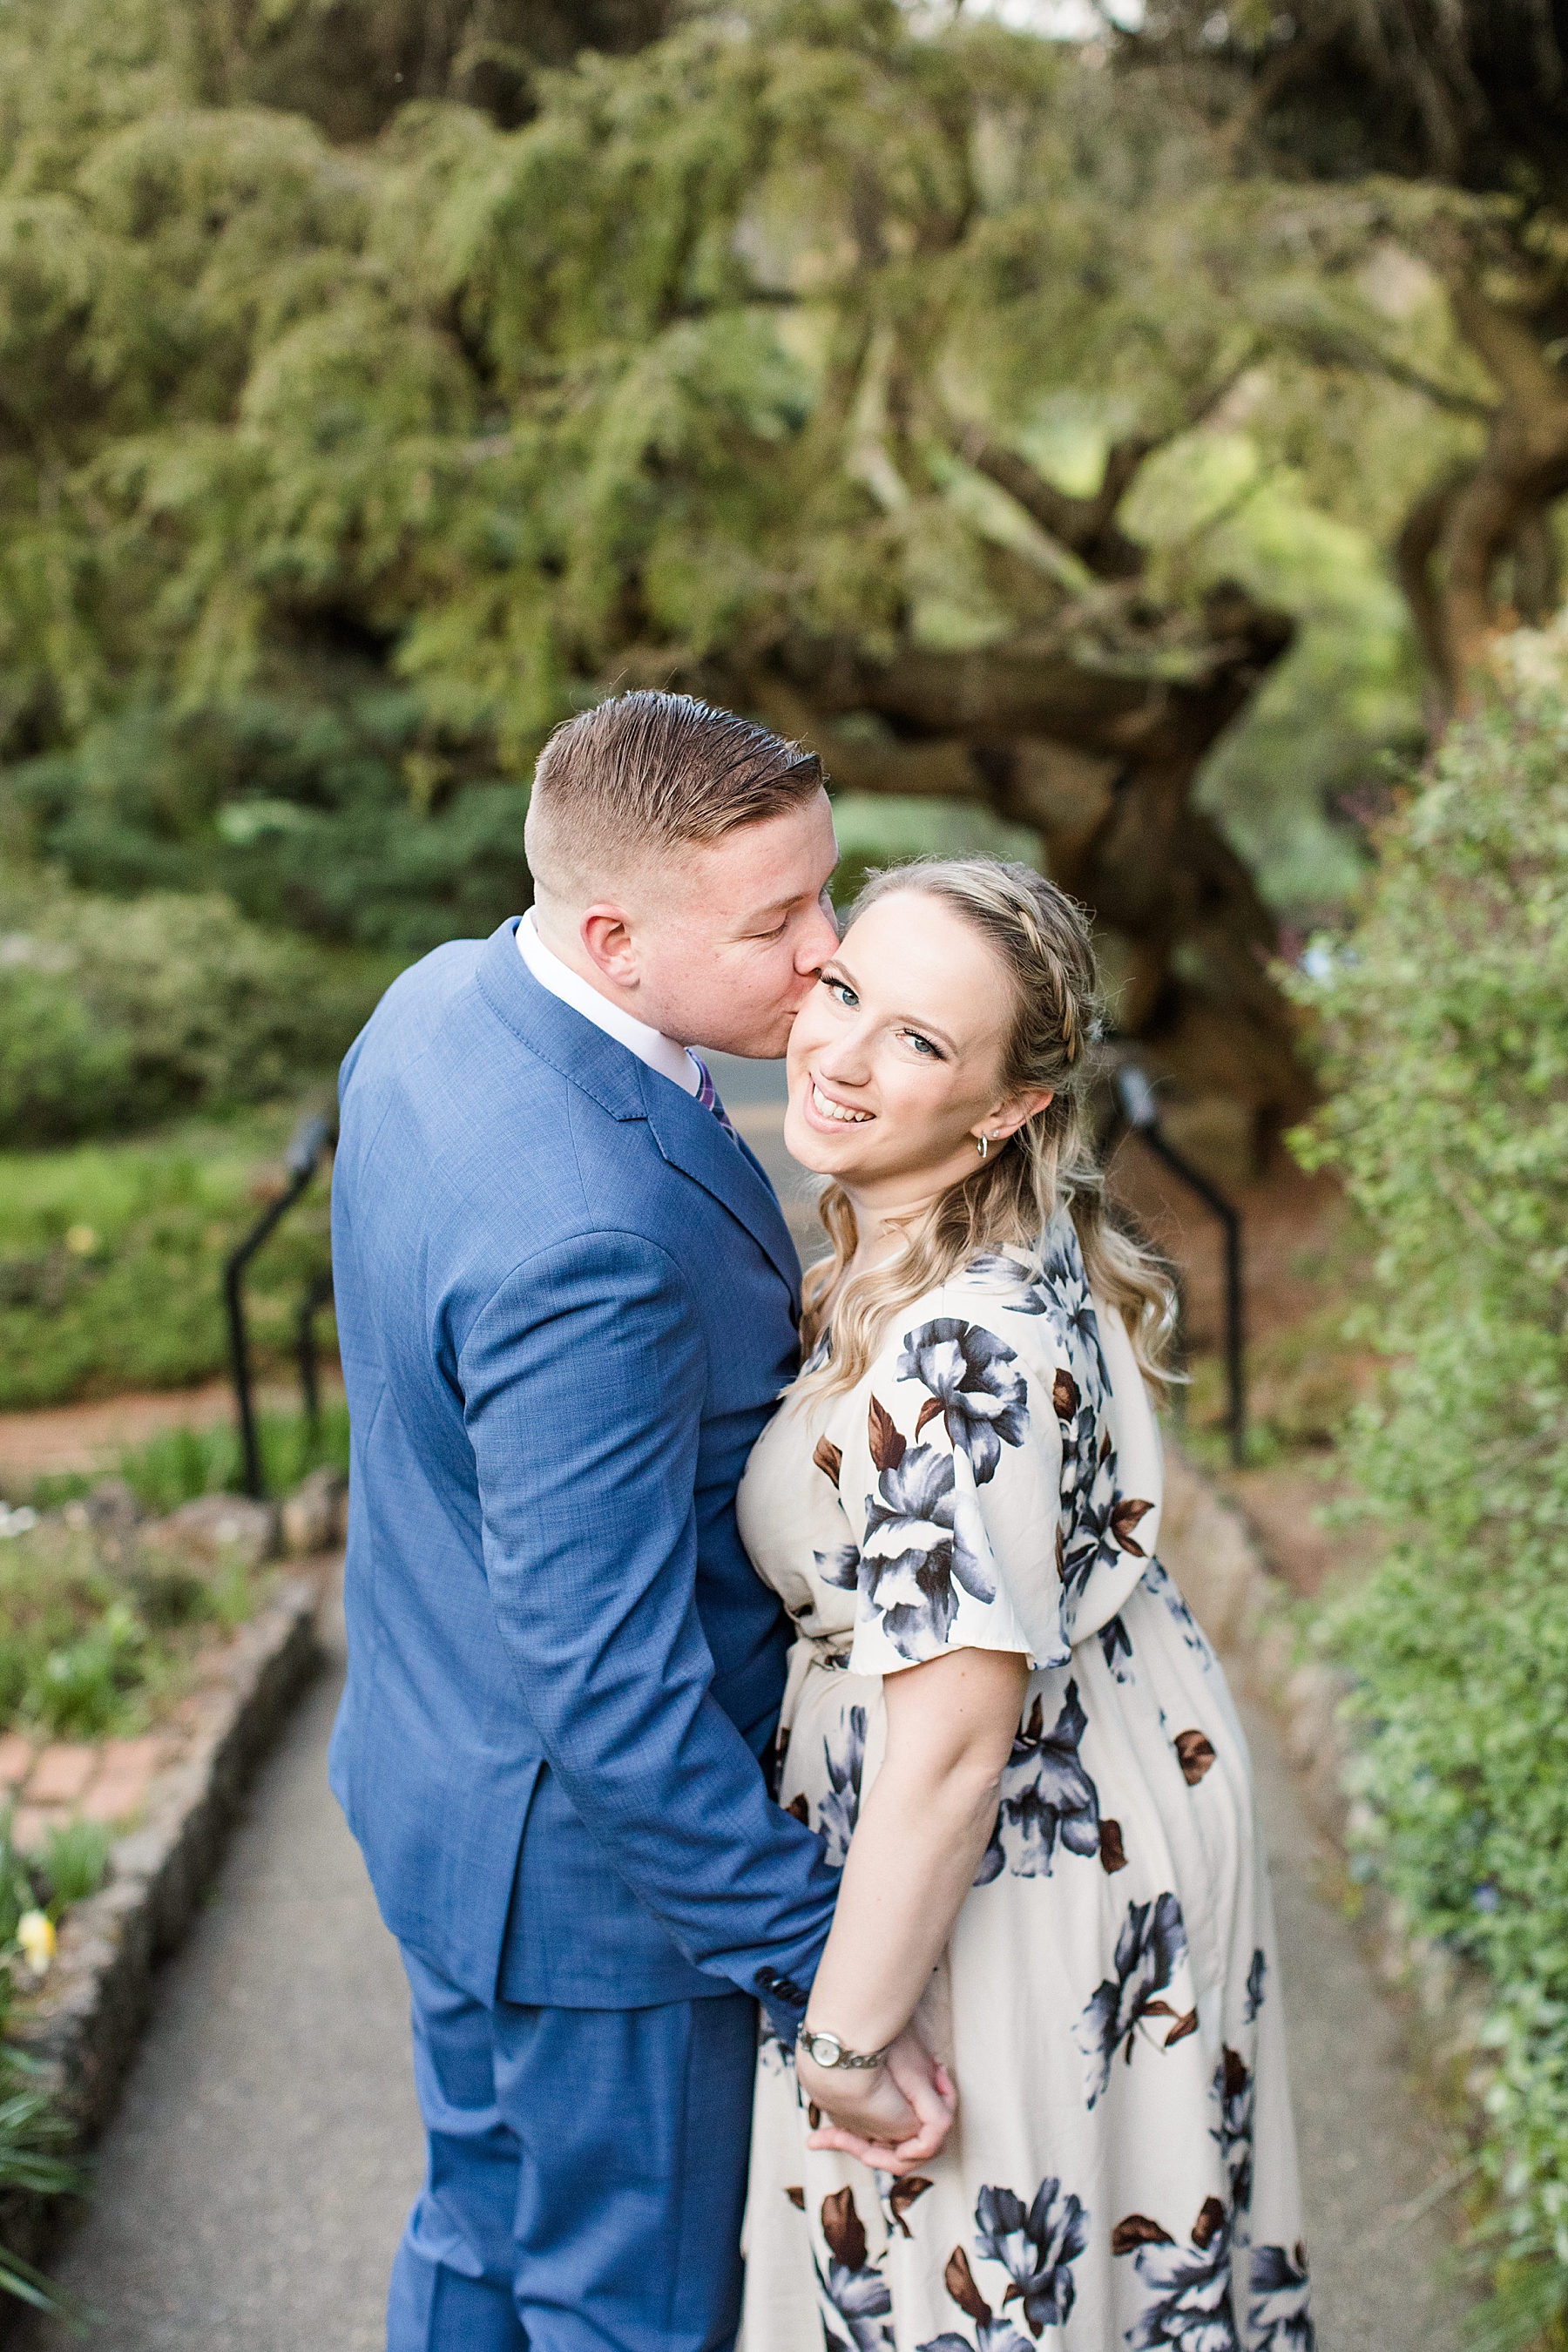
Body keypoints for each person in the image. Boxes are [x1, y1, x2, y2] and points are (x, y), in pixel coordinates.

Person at [328, 692, 950, 2352]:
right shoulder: (583, 1246)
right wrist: (825, 1965)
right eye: (777, 924)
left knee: (476, 2232)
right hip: (598, 1893)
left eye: (829, 893)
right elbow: (606, 1680)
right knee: (635, 2313)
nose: (828, 955)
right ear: (611, 935)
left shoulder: (436, 1002)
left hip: (431, 1783)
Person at [736, 860, 1314, 2350]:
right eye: (848, 989)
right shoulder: (988, 1233)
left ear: (1005, 1107)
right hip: (1119, 1769)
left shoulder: (953, 1347)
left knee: (978, 2287)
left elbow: (949, 1753)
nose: (845, 1053)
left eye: (921, 1041)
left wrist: (848, 2043)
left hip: (1015, 1860)